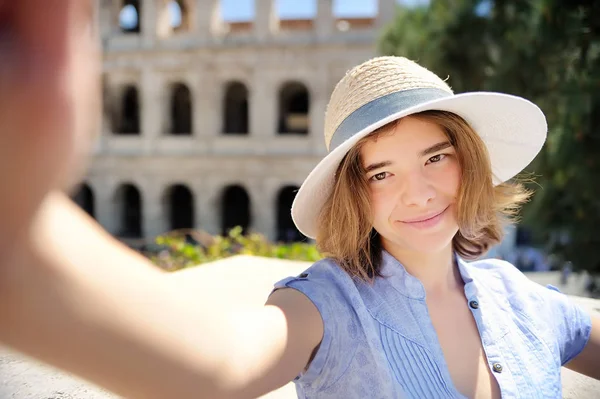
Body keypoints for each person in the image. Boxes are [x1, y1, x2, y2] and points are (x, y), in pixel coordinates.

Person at [0, 2, 598, 399]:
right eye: (380, 173)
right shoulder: (327, 305)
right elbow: (219, 366)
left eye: (436, 157)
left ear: (468, 161)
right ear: (352, 196)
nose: (417, 192)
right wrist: (18, 252)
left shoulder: (519, 297)